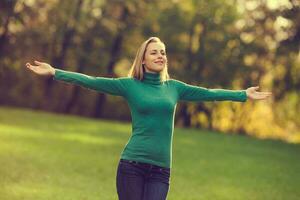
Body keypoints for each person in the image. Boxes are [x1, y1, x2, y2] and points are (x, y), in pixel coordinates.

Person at [26, 37, 272, 200]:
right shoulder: (129, 85)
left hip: (161, 170)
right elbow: (92, 81)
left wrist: (243, 94)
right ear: (143, 58)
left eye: (163, 52)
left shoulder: (175, 87)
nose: (160, 56)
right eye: (154, 52)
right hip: (132, 165)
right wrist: (55, 72)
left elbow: (209, 93)